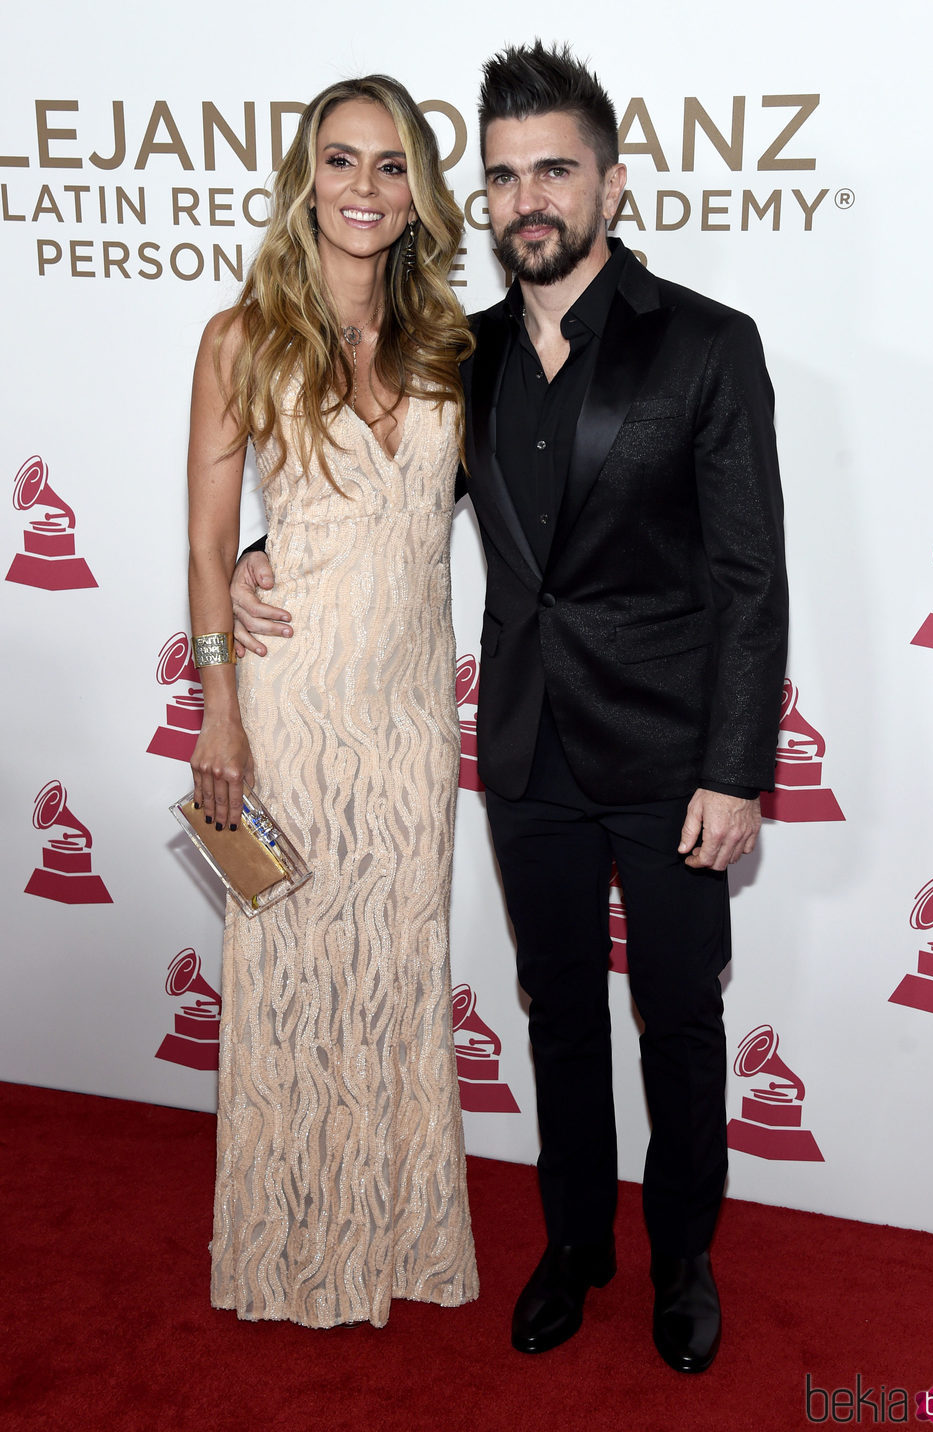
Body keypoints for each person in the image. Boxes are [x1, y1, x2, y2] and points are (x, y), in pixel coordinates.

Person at [231, 43, 788, 1371]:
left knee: (682, 1015)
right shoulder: (456, 354)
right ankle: (577, 1243)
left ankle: (685, 1262)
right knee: (555, 1012)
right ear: (476, 201)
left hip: (670, 761)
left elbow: (749, 576)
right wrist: (265, 557)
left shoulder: (707, 344)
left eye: (555, 170)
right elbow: (381, 502)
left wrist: (737, 768)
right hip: (527, 743)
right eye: (502, 178)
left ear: (612, 182)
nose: (527, 198)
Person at [186, 75, 479, 1331]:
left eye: (390, 165)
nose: (364, 188)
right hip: (291, 708)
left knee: (398, 974)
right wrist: (216, 707)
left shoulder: (457, 346)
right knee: (294, 968)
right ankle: (290, 1245)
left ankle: (401, 1236)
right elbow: (208, 547)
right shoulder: (241, 336)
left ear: (418, 190)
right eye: (340, 160)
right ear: (306, 178)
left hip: (412, 713)